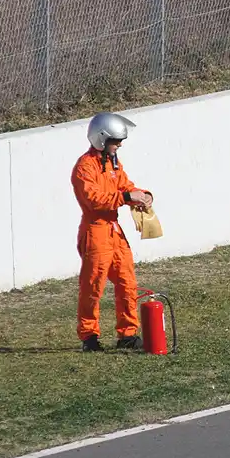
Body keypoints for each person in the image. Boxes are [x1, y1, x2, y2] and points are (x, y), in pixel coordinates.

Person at [71, 112, 153, 352]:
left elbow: (125, 186)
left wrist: (143, 195)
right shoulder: (84, 168)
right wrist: (127, 197)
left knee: (127, 281)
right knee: (93, 285)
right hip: (96, 230)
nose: (119, 145)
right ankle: (89, 336)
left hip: (113, 230)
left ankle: (127, 333)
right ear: (101, 138)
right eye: (116, 141)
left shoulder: (113, 163)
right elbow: (94, 199)